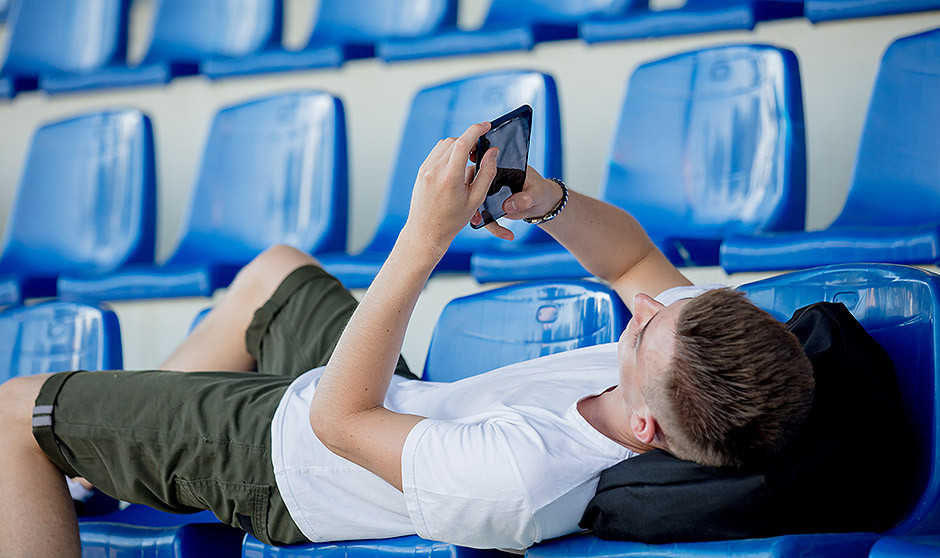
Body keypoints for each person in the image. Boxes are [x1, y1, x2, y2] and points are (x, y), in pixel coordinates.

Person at [0, 122, 814, 557]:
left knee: (11, 415)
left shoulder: (523, 477)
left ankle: (72, 451)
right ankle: (96, 460)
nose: (639, 310)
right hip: (382, 398)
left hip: (287, 462)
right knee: (278, 271)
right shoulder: (683, 368)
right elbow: (632, 260)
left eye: (643, 332)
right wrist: (548, 202)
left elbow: (339, 422)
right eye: (661, 311)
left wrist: (423, 239)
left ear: (645, 427)